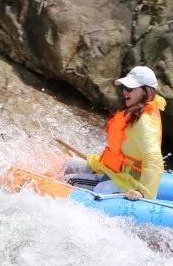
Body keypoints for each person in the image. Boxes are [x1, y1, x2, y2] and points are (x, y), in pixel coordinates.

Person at [65, 65, 166, 200]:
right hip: (114, 173)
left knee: (69, 181)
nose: (125, 92)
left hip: (128, 182)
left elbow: (154, 160)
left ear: (145, 91)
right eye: (124, 88)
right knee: (69, 165)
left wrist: (143, 193)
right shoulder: (133, 114)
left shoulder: (145, 122)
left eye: (130, 89)